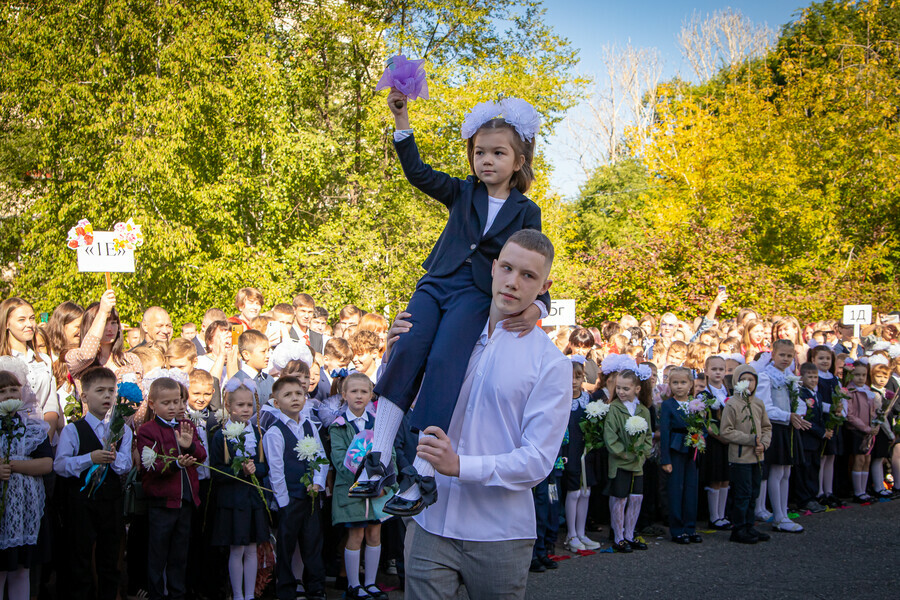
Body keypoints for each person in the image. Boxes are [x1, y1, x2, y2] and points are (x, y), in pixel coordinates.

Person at [352, 91, 551, 512]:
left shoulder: (526, 210)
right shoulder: (462, 192)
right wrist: (402, 121)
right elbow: (418, 173)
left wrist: (541, 305)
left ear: (518, 161)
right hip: (437, 283)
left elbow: (531, 258)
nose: (487, 160)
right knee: (405, 347)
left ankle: (422, 477)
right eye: (479, 152)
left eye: (498, 153)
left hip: (474, 296)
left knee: (444, 365)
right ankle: (378, 455)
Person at [393, 230, 569, 599]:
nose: (512, 282)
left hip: (499, 535)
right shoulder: (444, 333)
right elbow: (411, 400)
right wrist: (395, 354)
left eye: (528, 276)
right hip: (430, 522)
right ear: (492, 268)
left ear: (544, 286)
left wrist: (461, 466)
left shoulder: (550, 363)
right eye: (507, 268)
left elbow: (537, 461)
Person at [53, 366, 131, 600]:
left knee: (109, 556)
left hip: (110, 501)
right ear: (84, 396)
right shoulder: (73, 430)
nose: (107, 396)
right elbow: (60, 465)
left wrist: (115, 458)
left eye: (111, 391)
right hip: (81, 502)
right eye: (100, 391)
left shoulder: (122, 430)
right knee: (80, 555)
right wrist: (90, 458)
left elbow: (125, 465)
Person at [136, 376, 207, 600]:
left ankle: (178, 593)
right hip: (162, 502)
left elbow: (201, 456)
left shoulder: (187, 425)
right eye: (166, 403)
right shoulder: (147, 430)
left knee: (180, 554)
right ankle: (157, 594)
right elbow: (151, 464)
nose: (173, 407)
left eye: (177, 402)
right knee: (158, 554)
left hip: (185, 501)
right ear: (152, 404)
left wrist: (190, 445)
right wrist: (176, 463)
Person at [329, 373, 395, 600]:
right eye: (354, 391)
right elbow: (339, 460)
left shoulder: (378, 422)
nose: (359, 396)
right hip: (352, 489)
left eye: (364, 391)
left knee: (375, 534)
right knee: (355, 535)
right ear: (344, 394)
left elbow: (389, 452)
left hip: (378, 490)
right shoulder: (338, 425)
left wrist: (383, 480)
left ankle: (371, 583)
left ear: (371, 394)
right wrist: (360, 477)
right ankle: (354, 584)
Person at [262, 376, 328, 600]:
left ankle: (315, 587)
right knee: (286, 545)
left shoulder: (310, 424)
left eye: (299, 394)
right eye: (288, 395)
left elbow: (321, 457)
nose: (295, 398)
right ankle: (286, 588)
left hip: (310, 497)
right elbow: (276, 470)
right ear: (276, 402)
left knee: (313, 543)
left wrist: (318, 482)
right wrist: (283, 502)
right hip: (289, 499)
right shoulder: (275, 432)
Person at [210, 378, 269, 600]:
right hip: (233, 501)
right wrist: (239, 471)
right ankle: (237, 595)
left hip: (253, 500)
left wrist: (256, 469)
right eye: (240, 405)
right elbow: (216, 471)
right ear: (228, 407)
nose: (246, 410)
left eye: (249, 405)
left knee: (252, 548)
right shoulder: (221, 435)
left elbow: (265, 467)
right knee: (237, 549)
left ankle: (250, 594)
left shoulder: (258, 433)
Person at [0, 366, 53, 600]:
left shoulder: (33, 428)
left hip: (26, 511)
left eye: (14, 390)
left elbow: (46, 464)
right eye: (3, 392)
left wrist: (11, 465)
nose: (10, 395)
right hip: (4, 511)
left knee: (22, 569)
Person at [756, 340, 807, 533]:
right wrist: (788, 415)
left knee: (786, 472)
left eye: (789, 355)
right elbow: (765, 407)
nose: (786, 359)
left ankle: (783, 513)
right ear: (773, 355)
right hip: (775, 427)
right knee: (776, 473)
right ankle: (778, 516)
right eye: (782, 355)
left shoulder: (789, 376)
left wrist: (799, 413)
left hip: (789, 426)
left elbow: (797, 401)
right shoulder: (765, 377)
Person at [718, 364, 772, 544]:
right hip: (740, 457)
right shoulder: (732, 404)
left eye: (751, 380)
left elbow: (766, 427)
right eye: (744, 380)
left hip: (757, 455)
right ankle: (739, 528)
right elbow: (726, 431)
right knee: (742, 493)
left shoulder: (758, 403)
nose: (748, 384)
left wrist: (763, 443)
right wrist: (750, 439)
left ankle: (749, 525)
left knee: (753, 492)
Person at [603, 366, 653, 553]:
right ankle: (618, 537)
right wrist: (623, 453)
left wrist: (644, 452)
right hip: (620, 462)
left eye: (626, 388)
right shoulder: (614, 409)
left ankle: (630, 535)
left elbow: (648, 435)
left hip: (637, 462)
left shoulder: (643, 410)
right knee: (620, 499)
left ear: (637, 389)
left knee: (636, 498)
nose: (621, 392)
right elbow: (610, 436)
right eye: (618, 388)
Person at [0, 298, 59, 438]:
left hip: (45, 435)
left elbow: (51, 405)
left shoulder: (44, 360)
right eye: (21, 320)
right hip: (10, 435)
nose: (29, 324)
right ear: (7, 323)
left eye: (32, 318)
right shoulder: (2, 362)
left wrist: (46, 439)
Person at [561, 358, 601, 552]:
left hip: (586, 452)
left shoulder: (588, 399)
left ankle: (581, 531)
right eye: (569, 377)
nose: (574, 382)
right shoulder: (561, 400)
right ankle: (571, 534)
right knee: (573, 491)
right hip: (570, 451)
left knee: (586, 491)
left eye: (578, 377)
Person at [66, 290, 143, 389]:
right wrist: (102, 312)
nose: (110, 328)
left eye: (114, 323)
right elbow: (87, 355)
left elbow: (141, 400)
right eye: (105, 323)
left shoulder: (131, 360)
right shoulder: (73, 357)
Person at [659, 366, 701, 545]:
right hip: (675, 449)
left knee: (691, 489)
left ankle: (690, 527)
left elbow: (702, 427)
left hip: (692, 449)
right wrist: (665, 459)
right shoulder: (668, 405)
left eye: (683, 382)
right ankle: (676, 530)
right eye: (675, 382)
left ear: (691, 384)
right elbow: (665, 433)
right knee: (676, 490)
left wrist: (699, 440)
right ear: (669, 384)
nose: (679, 386)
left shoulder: (696, 402)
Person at [696, 355, 731, 529]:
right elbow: (704, 422)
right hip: (714, 441)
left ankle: (722, 514)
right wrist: (720, 436)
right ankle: (714, 516)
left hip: (728, 440)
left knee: (725, 479)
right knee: (715, 478)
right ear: (706, 371)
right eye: (714, 369)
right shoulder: (704, 395)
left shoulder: (728, 393)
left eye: (721, 369)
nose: (718, 372)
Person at [809, 345, 844, 507]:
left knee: (831, 456)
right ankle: (819, 492)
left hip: (834, 420)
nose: (825, 361)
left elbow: (840, 397)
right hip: (822, 419)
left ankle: (829, 491)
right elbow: (817, 401)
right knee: (822, 457)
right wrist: (831, 408)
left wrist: (840, 411)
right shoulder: (816, 378)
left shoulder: (834, 378)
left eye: (828, 358)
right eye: (821, 358)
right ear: (813, 360)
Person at [792, 363, 828, 512]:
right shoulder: (801, 394)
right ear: (802, 377)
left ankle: (813, 497)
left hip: (815, 441)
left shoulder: (816, 394)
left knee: (814, 468)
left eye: (816, 377)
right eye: (810, 377)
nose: (813, 380)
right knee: (805, 470)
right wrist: (821, 432)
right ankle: (804, 499)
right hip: (806, 438)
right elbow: (806, 420)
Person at [846, 360, 877, 503]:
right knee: (858, 459)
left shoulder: (868, 390)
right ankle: (857, 491)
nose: (860, 378)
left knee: (867, 459)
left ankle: (864, 490)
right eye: (857, 375)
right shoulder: (850, 391)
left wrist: (875, 424)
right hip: (857, 430)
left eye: (863, 375)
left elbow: (873, 411)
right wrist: (866, 428)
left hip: (869, 430)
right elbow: (850, 415)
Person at [233, 329, 273, 411]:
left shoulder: (270, 380)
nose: (268, 355)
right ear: (246, 355)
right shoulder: (238, 382)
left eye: (268, 350)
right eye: (263, 351)